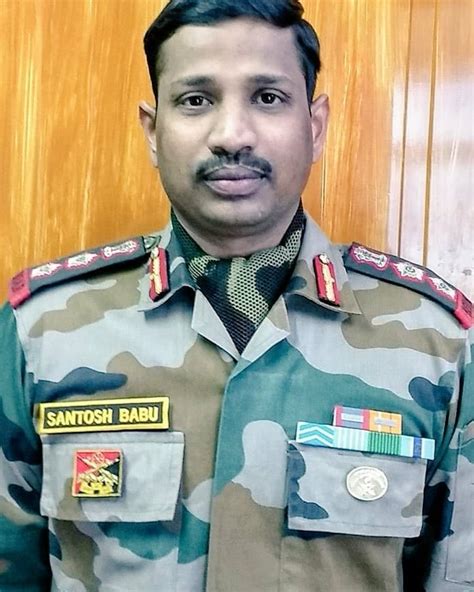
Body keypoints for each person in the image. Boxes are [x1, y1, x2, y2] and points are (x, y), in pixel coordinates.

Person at [0, 0, 472, 590]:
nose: (231, 135)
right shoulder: (41, 330)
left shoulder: (436, 342)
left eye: (267, 97)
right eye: (196, 100)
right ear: (153, 131)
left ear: (315, 126)